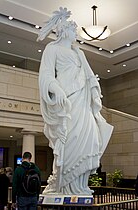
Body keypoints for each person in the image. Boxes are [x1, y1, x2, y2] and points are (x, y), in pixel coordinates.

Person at [38, 7, 113, 195]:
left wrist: (94, 93)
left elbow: (88, 75)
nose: (76, 35)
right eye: (74, 30)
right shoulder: (52, 48)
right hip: (67, 100)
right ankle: (62, 185)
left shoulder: (79, 52)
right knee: (70, 140)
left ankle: (80, 186)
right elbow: (46, 75)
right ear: (65, 30)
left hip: (83, 100)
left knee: (89, 139)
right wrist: (56, 89)